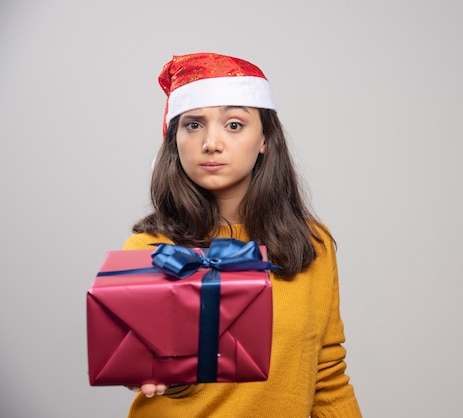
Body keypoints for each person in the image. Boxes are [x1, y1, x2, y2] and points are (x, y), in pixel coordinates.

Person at [121, 52, 362, 417]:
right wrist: (148, 368)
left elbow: (327, 376)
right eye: (193, 125)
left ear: (264, 138)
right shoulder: (152, 250)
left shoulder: (313, 245)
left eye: (234, 125)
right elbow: (143, 361)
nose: (211, 143)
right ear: (175, 140)